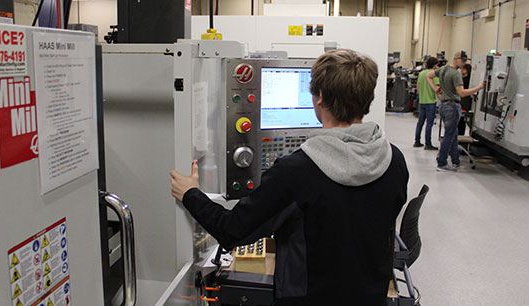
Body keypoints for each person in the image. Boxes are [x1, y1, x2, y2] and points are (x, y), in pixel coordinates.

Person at [170, 49, 409, 305]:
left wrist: (191, 194)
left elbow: (231, 231)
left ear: (320, 98)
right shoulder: (393, 160)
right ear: (368, 98)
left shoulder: (297, 172)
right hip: (372, 297)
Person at [426, 51, 485, 172]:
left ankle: (455, 161)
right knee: (449, 136)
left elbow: (428, 76)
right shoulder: (455, 74)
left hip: (443, 105)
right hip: (452, 106)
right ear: (456, 59)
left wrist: (435, 88)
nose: (463, 64)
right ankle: (442, 163)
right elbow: (462, 93)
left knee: (453, 134)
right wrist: (479, 88)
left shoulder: (443, 69)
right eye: (462, 61)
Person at [414, 57, 440, 150]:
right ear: (434, 65)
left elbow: (418, 87)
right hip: (430, 102)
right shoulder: (434, 75)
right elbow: (437, 89)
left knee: (420, 122)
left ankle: (417, 141)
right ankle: (428, 144)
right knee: (429, 123)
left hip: (422, 102)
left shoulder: (421, 74)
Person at [458, 64, 472, 135]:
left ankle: (461, 134)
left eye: (463, 69)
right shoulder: (460, 78)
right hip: (459, 100)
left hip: (465, 101)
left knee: (462, 119)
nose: (461, 70)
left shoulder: (469, 80)